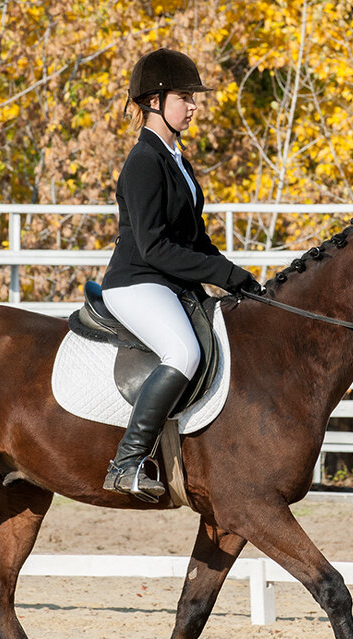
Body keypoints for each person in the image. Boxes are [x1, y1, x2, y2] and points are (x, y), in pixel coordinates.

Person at [101, 48, 262, 501]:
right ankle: (128, 461)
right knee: (183, 351)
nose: (193, 106)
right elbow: (154, 246)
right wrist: (221, 274)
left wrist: (241, 279)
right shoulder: (143, 163)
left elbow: (196, 241)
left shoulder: (179, 163)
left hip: (171, 282)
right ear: (154, 101)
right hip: (137, 281)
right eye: (184, 97)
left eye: (193, 98)